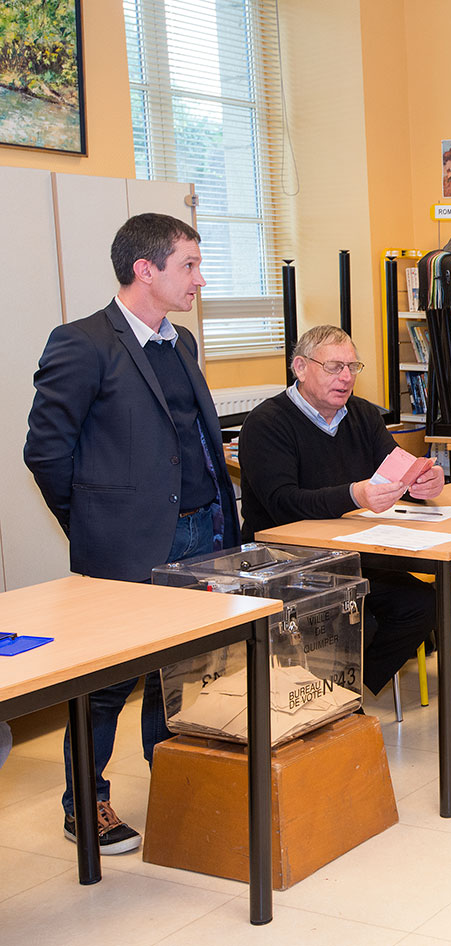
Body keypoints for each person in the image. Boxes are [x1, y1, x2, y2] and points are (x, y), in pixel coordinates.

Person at [25, 213, 240, 854]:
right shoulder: (82, 342)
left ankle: (174, 783)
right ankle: (84, 805)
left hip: (203, 534)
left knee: (183, 674)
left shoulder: (182, 343)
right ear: (145, 270)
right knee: (107, 684)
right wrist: (95, 523)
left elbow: (196, 440)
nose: (200, 279)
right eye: (190, 266)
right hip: (128, 544)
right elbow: (46, 453)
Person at [237, 325, 445, 696]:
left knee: (421, 603)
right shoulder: (266, 423)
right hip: (288, 562)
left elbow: (392, 478)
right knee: (338, 610)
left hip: (354, 553)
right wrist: (354, 495)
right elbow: (284, 504)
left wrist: (422, 485)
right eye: (334, 367)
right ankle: (326, 696)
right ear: (300, 367)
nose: (346, 377)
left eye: (352, 367)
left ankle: (348, 691)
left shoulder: (363, 415)